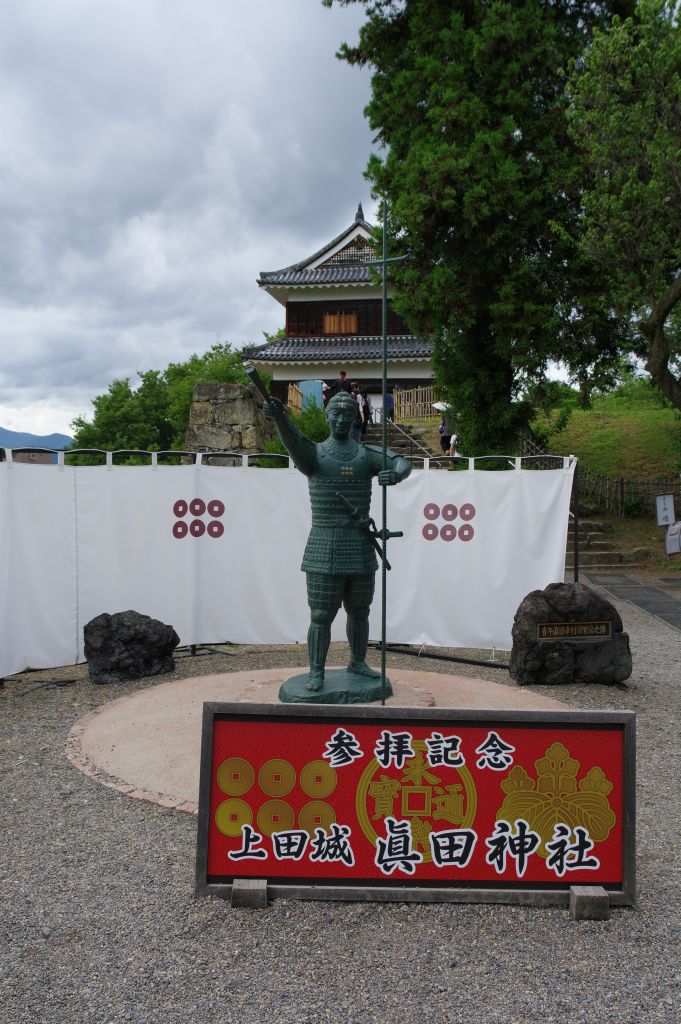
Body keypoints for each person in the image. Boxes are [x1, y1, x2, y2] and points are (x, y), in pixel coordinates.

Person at [263, 390, 412, 692]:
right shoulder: (315, 454)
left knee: (360, 611)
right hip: (324, 545)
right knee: (321, 615)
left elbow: (401, 462)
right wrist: (280, 416)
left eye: (347, 414)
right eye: (336, 413)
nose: (342, 419)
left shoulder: (365, 454)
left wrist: (394, 476)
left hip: (359, 545)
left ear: (355, 417)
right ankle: (316, 670)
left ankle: (357, 661)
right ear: (328, 416)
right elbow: (293, 440)